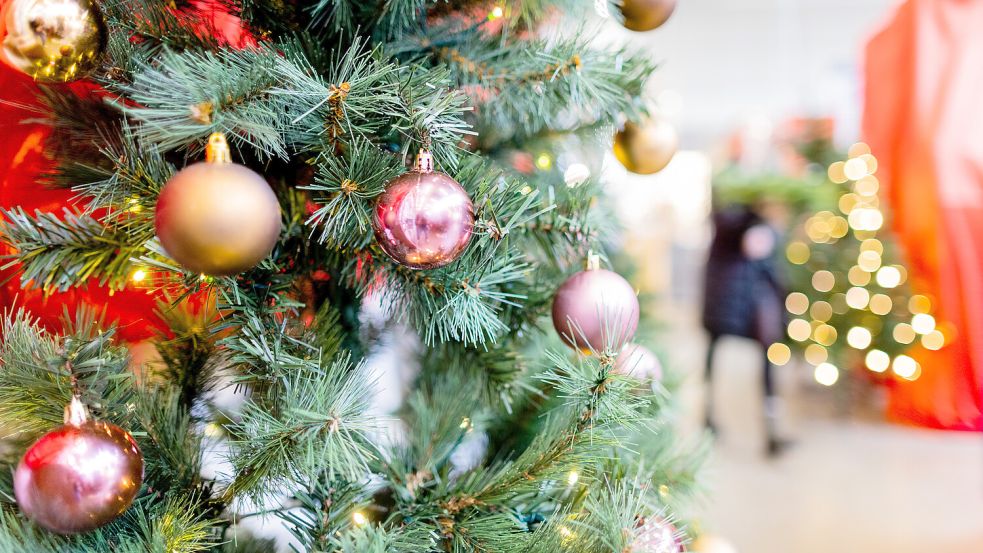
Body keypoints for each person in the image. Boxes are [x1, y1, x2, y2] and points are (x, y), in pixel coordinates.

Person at [702, 204, 789, 456]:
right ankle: (708, 415)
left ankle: (770, 429)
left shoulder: (761, 222)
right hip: (730, 298)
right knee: (716, 354)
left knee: (766, 359)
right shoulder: (731, 213)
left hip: (749, 298)